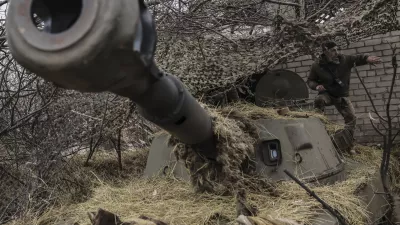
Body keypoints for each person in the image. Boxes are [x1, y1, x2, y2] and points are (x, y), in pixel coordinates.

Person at [306, 41, 381, 142]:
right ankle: (320, 128)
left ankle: (348, 142)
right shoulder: (317, 65)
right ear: (325, 51)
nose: (336, 52)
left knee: (351, 118)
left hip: (341, 96)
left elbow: (358, 58)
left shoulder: (344, 60)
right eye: (333, 50)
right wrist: (316, 86)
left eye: (337, 49)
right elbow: (310, 80)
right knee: (319, 100)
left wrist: (367, 58)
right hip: (327, 94)